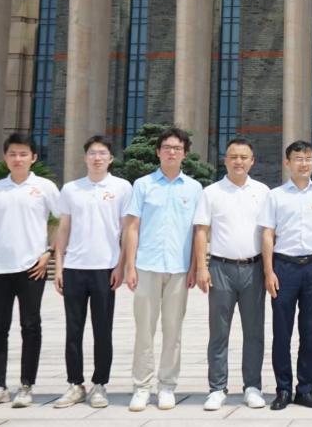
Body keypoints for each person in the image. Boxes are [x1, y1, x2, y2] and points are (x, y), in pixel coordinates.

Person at [0, 134, 60, 409]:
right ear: (5, 158)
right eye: (12, 154)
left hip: (32, 268)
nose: (18, 159)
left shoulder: (45, 187)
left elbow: (63, 221)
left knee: (30, 326)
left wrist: (49, 252)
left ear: (33, 157)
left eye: (23, 154)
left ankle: (26, 385)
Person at [123, 126, 203, 412]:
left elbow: (198, 231)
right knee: (144, 330)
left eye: (177, 148)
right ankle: (141, 387)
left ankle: (167, 385)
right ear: (158, 152)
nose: (172, 152)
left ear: (185, 154)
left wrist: (195, 267)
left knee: (173, 331)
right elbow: (132, 227)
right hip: (147, 266)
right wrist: (130, 265)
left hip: (179, 270)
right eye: (167, 147)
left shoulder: (194, 188)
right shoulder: (143, 185)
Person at [51, 135, 131, 409]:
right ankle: (75, 384)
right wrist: (58, 266)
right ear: (85, 158)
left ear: (111, 158)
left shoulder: (122, 187)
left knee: (102, 330)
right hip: (74, 268)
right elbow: (63, 229)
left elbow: (127, 230)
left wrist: (121, 266)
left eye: (102, 153)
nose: (97, 158)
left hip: (105, 268)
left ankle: (100, 384)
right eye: (92, 153)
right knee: (73, 330)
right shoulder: (71, 189)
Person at [194, 137, 270, 411]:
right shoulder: (211, 192)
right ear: (225, 160)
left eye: (244, 157)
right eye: (233, 157)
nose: (239, 161)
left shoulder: (263, 192)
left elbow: (269, 233)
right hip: (220, 268)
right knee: (219, 331)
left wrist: (269, 270)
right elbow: (201, 230)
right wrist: (201, 267)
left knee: (254, 332)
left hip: (254, 268)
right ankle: (217, 388)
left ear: (252, 161)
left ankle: (252, 387)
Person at [258, 140, 312, 410]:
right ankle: (283, 389)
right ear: (287, 163)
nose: (304, 163)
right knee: (282, 332)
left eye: (309, 158)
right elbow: (267, 234)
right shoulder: (275, 196)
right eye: (299, 158)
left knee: (310, 331)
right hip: (284, 268)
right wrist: (269, 271)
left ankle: (305, 389)